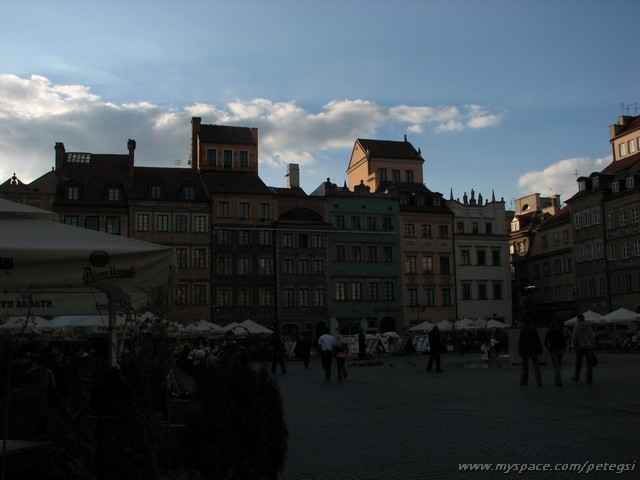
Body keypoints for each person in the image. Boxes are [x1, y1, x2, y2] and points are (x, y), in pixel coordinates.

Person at [0, 367, 55, 440]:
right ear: (41, 383)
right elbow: (53, 418)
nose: (47, 388)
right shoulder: (32, 400)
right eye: (47, 383)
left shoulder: (9, 397)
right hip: (20, 447)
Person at [518, 319, 543, 386]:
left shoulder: (522, 331)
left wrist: (520, 351)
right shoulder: (534, 330)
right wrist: (540, 350)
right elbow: (538, 340)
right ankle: (539, 381)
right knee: (536, 366)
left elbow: (521, 342)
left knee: (525, 367)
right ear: (530, 323)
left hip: (525, 351)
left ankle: (524, 381)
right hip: (534, 350)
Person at [572, 314, 595, 385]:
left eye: (577, 319)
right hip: (588, 347)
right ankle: (589, 379)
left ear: (579, 319)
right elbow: (592, 337)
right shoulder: (589, 326)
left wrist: (575, 345)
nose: (576, 320)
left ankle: (577, 377)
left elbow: (575, 337)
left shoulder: (576, 327)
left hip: (580, 347)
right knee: (589, 364)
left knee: (578, 363)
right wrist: (592, 346)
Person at [545, 319, 566, 386]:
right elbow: (564, 341)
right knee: (559, 366)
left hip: (553, 350)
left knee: (556, 366)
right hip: (560, 350)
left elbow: (545, 342)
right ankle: (558, 379)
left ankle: (558, 381)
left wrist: (549, 349)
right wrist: (563, 348)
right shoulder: (560, 332)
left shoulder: (548, 333)